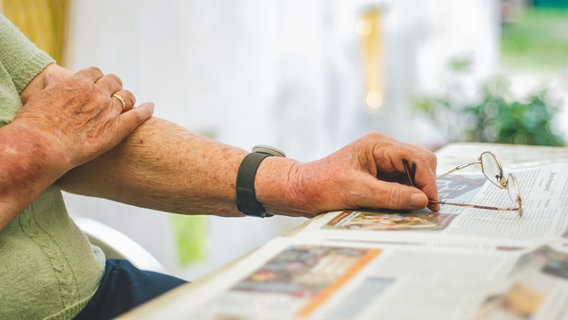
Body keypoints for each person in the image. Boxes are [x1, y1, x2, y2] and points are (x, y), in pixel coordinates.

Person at [0, 14, 439, 320]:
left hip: (97, 290)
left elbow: (84, 124)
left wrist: (297, 180)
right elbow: (57, 127)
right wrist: (37, 143)